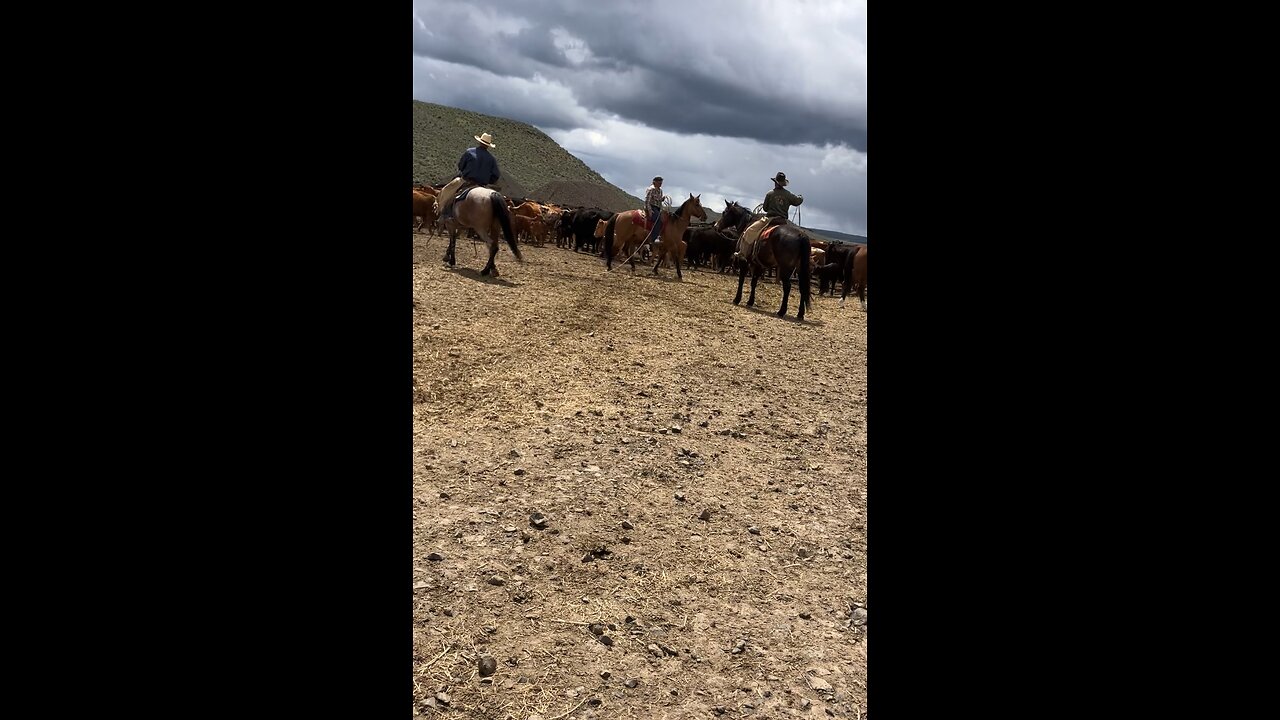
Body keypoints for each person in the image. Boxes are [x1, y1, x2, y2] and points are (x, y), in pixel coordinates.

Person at [435, 132, 502, 221]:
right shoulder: (492, 159)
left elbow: (461, 166)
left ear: (480, 142)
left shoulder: (470, 152)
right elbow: (496, 175)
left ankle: (445, 214)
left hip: (466, 180)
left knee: (447, 190)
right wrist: (487, 180)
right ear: (488, 146)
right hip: (482, 184)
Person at [739, 171, 804, 262]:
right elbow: (797, 201)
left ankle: (742, 253)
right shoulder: (788, 194)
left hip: (769, 219)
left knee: (750, 230)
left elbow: (765, 208)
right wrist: (801, 197)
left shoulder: (770, 193)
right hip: (782, 220)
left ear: (775, 182)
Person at [642, 176, 667, 247]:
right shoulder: (651, 189)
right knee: (658, 220)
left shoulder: (660, 190)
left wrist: (662, 199)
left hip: (658, 208)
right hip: (651, 207)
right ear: (654, 182)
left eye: (661, 182)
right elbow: (647, 201)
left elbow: (658, 200)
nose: (660, 184)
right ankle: (654, 238)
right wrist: (649, 210)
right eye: (659, 182)